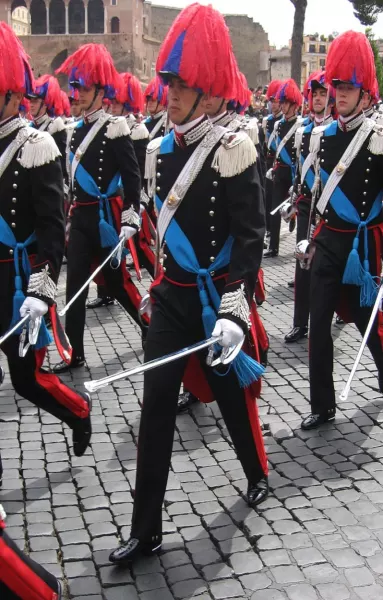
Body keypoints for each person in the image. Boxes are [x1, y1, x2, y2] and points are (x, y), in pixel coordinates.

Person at [109, 3, 269, 565]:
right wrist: (156, 282)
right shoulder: (158, 149)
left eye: (182, 84)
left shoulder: (233, 147)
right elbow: (162, 229)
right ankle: (146, 528)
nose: (169, 92)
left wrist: (234, 308)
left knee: (229, 398)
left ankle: (255, 470)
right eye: (169, 81)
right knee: (155, 411)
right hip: (174, 298)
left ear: (209, 91)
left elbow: (251, 236)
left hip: (214, 301)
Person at [0, 22, 91, 466]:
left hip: (19, 283)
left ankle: (78, 411)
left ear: (9, 94)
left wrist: (42, 287)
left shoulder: (35, 147)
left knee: (25, 381)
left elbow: (53, 227)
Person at [301, 31, 383, 430]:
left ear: (366, 93)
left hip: (363, 246)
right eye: (338, 86)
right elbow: (318, 192)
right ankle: (322, 404)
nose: (342, 94)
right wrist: (312, 237)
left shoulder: (378, 137)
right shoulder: (323, 137)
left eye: (350, 87)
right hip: (331, 241)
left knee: (371, 321)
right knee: (319, 324)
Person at [53, 43, 144, 373]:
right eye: (74, 87)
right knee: (74, 285)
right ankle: (75, 352)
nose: (75, 95)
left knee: (117, 285)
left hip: (107, 219)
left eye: (82, 88)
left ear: (99, 91)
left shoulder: (115, 127)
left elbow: (133, 178)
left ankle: (147, 325)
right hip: (82, 218)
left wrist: (130, 216)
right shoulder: (74, 132)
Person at [285, 71, 335, 343]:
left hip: (331, 209)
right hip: (306, 205)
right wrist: (295, 198)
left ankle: (332, 312)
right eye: (314, 94)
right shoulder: (302, 131)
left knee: (327, 266)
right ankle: (299, 322)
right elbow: (297, 168)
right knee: (302, 262)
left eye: (323, 94)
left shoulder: (337, 130)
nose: (317, 99)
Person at [264, 79, 302, 258]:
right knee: (274, 208)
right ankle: (273, 247)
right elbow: (276, 150)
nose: (283, 106)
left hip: (293, 173)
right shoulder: (278, 125)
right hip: (280, 171)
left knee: (294, 208)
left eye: (287, 103)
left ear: (295, 105)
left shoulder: (300, 126)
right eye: (283, 102)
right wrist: (273, 168)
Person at [28, 74, 68, 182]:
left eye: (35, 101)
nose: (31, 104)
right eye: (30, 101)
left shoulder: (55, 126)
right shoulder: (28, 127)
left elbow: (62, 162)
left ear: (45, 104)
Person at [262, 80, 283, 237]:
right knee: (267, 197)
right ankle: (268, 227)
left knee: (277, 199)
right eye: (271, 101)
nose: (273, 105)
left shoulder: (284, 122)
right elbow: (265, 144)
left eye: (276, 101)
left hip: (280, 162)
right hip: (268, 161)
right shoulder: (267, 121)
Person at [144, 76, 169, 140]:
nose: (149, 102)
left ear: (162, 101)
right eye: (148, 99)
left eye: (153, 100)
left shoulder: (168, 124)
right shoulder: (145, 122)